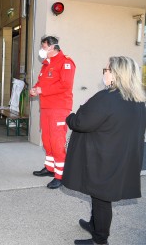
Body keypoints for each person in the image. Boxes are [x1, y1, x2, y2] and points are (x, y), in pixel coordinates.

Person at [62, 56, 146, 245]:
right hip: (121, 157)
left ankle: (100, 239)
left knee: (101, 199)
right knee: (98, 194)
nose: (104, 74)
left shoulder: (107, 98)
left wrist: (71, 116)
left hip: (103, 157)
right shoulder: (138, 100)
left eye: (106, 70)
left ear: (116, 74)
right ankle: (94, 225)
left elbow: (80, 122)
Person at [30, 35, 76, 189]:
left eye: (43, 47)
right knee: (47, 139)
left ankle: (60, 175)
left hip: (59, 108)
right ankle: (50, 168)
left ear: (52, 47)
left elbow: (65, 85)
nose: (42, 50)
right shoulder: (46, 64)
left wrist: (43, 90)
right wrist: (35, 89)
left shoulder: (66, 63)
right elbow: (41, 82)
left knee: (57, 142)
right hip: (46, 108)